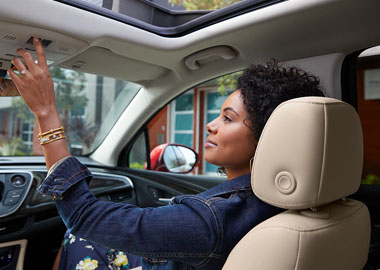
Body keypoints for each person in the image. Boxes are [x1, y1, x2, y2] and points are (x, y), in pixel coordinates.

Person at [8, 37, 325, 270]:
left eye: (227, 118)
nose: (211, 125)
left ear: (269, 138)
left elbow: (83, 215)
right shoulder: (305, 203)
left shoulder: (212, 219)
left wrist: (45, 111)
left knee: (75, 236)